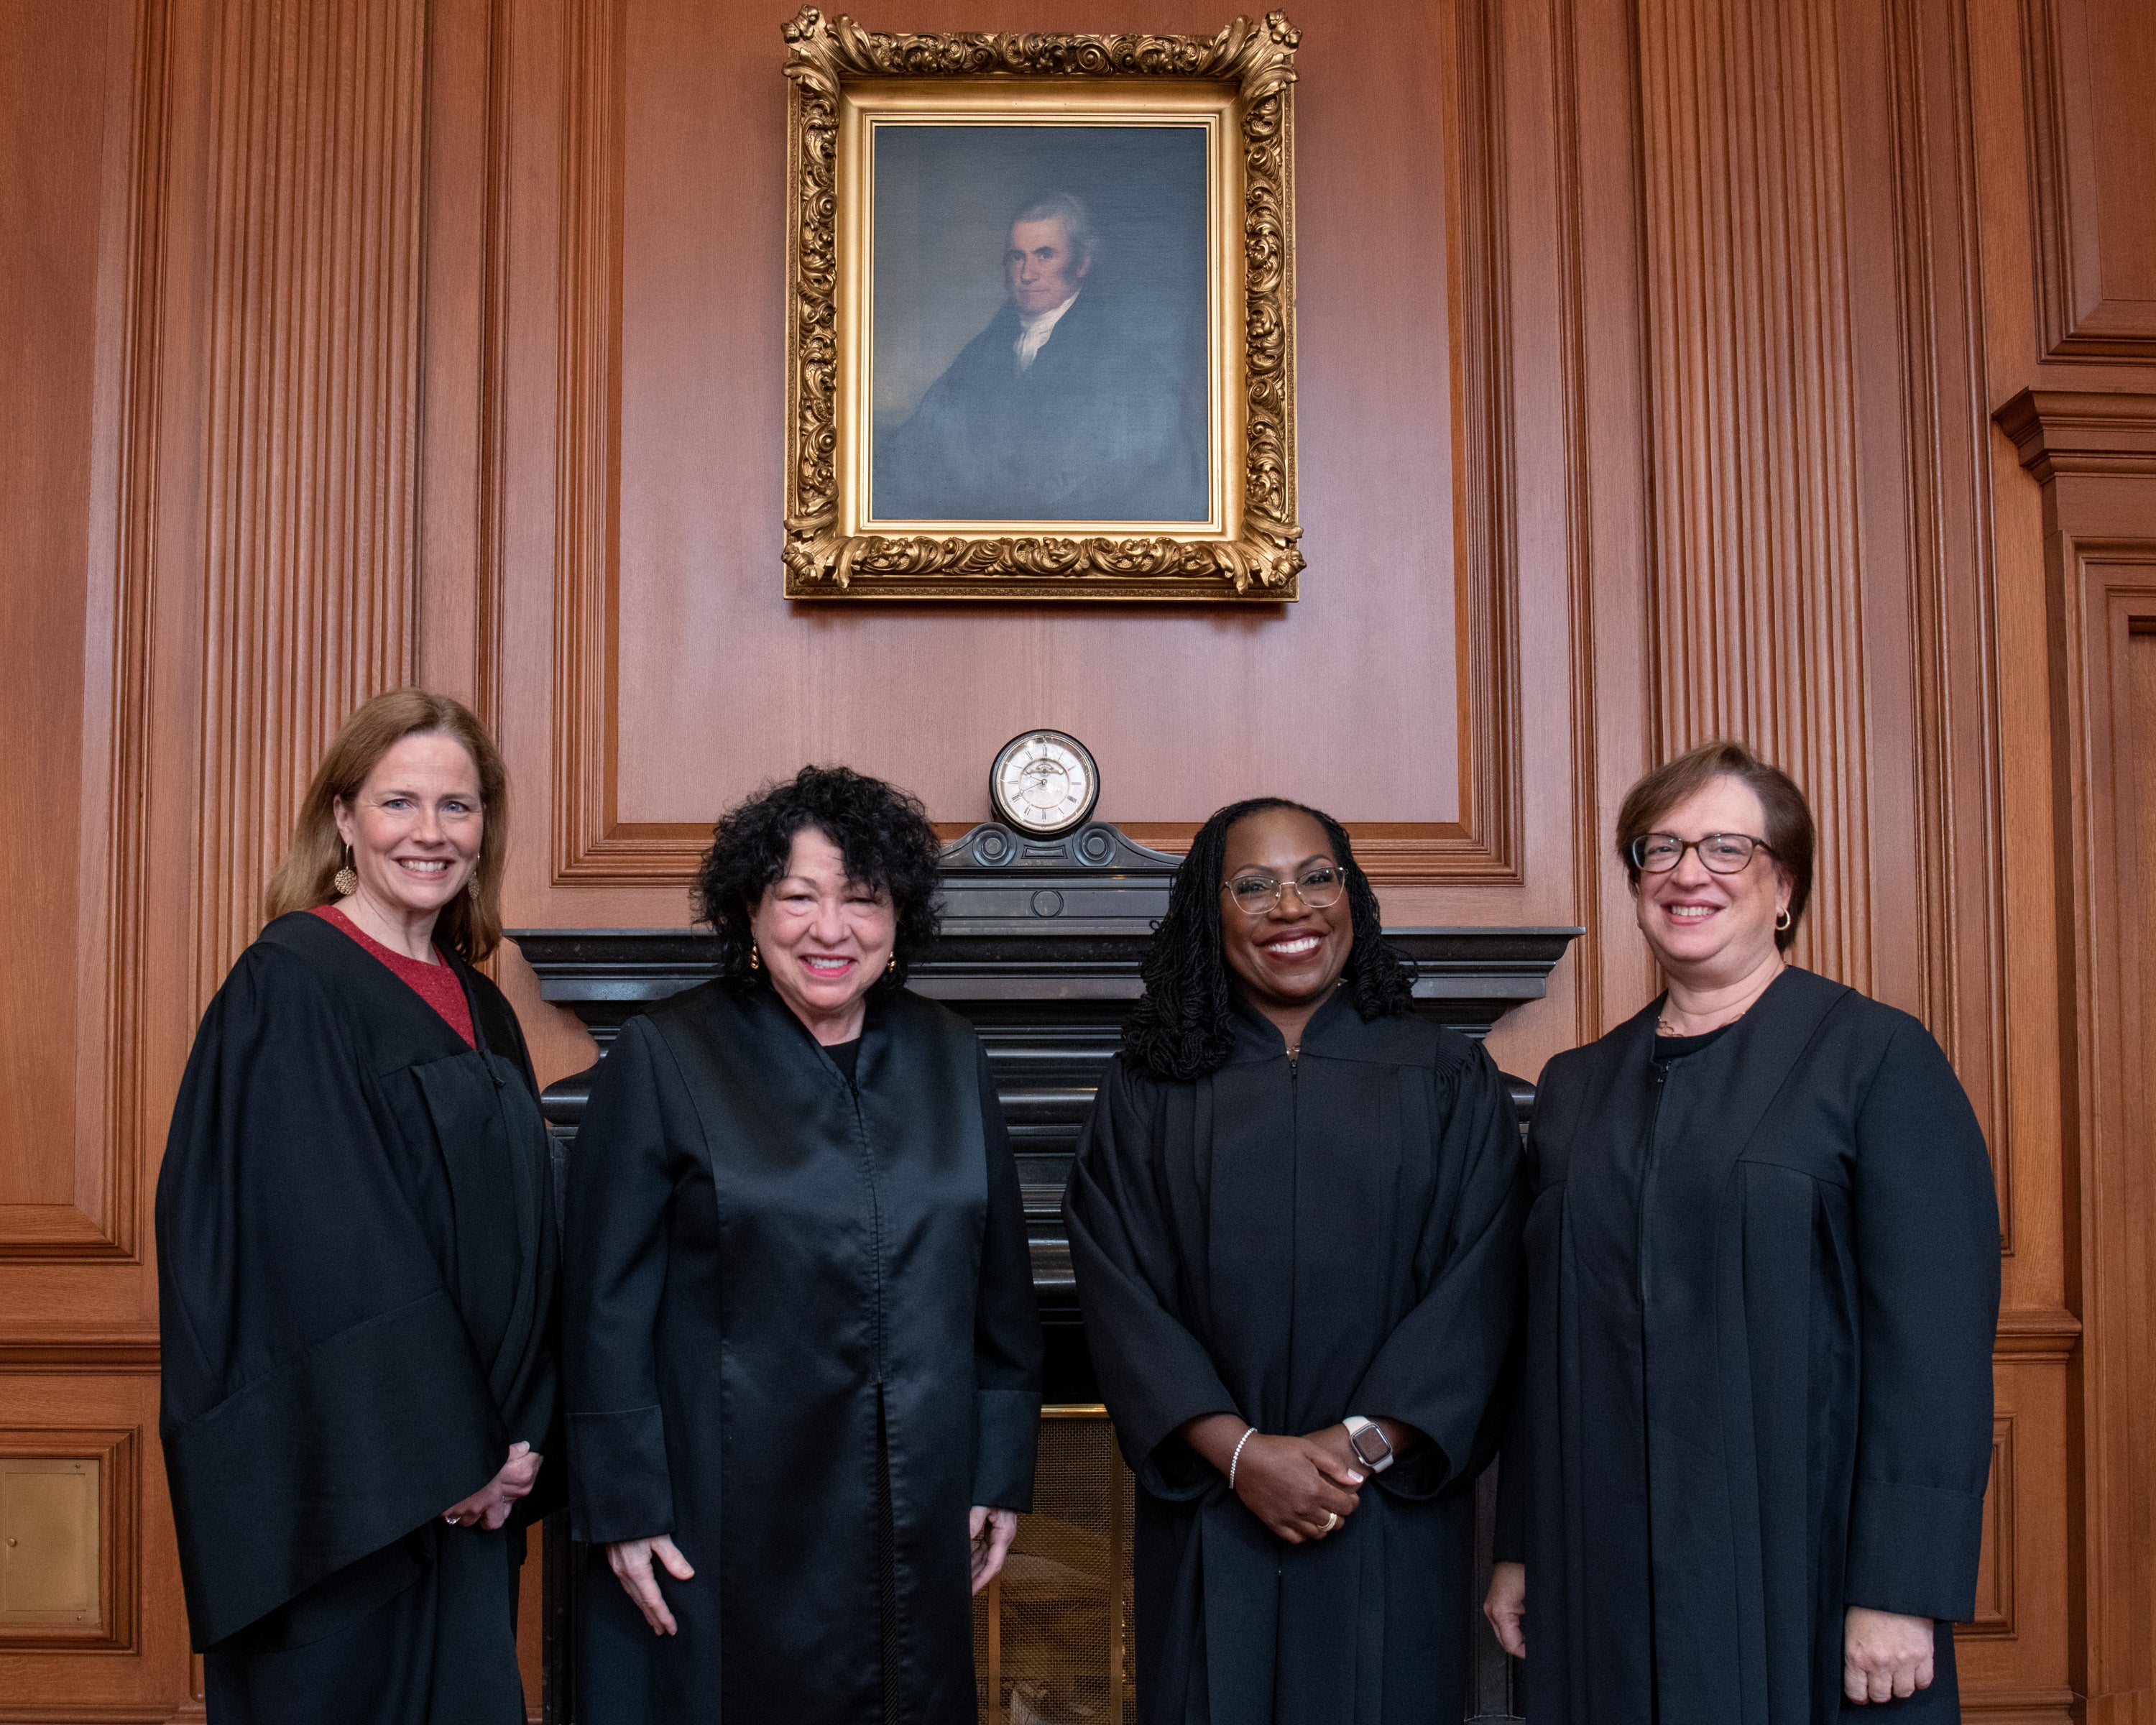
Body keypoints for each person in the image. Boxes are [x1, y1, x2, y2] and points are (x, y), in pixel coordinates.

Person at [1483, 740, 2001, 1720]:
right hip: (1605, 1558)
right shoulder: (1576, 1090)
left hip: (1803, 1555)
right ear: (1636, 883)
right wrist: (1523, 1544)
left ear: (1784, 887)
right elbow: (1543, 1345)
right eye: (1660, 848)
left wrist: (1900, 1588)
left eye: (1726, 849)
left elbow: (1932, 1349)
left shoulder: (1877, 1060)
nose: (1688, 874)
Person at [564, 765, 1044, 1724]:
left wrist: (998, 1469)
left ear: (900, 918)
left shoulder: (952, 1054)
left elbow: (1001, 1294)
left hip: (917, 1497)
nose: (832, 931)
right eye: (800, 898)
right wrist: (624, 1506)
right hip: (722, 1508)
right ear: (750, 908)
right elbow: (602, 1307)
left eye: (862, 900)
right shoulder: (667, 1056)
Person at [1064, 797, 1529, 1724]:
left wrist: (1356, 1448)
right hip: (1210, 1511)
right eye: (1254, 885)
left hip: (1385, 1513)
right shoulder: (1151, 1087)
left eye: (1319, 877)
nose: (1293, 906)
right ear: (1211, 910)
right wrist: (1239, 1455)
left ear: (1352, 895)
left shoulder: (1443, 1075)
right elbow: (1120, 1289)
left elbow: (1481, 1284)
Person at [156, 689, 558, 1724]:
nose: (431, 834)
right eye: (400, 803)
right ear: (342, 818)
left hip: (478, 1483)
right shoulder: (290, 985)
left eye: (458, 808)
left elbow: (529, 1241)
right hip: (352, 1496)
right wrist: (449, 1448)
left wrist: (521, 1439)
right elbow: (320, 1244)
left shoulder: (482, 1006)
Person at [874, 191, 1207, 522]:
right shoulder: (981, 353)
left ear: (1083, 262)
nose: (1027, 274)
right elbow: (919, 447)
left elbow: (1129, 479)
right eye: (1018, 257)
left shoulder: (1125, 365)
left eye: (1044, 255)